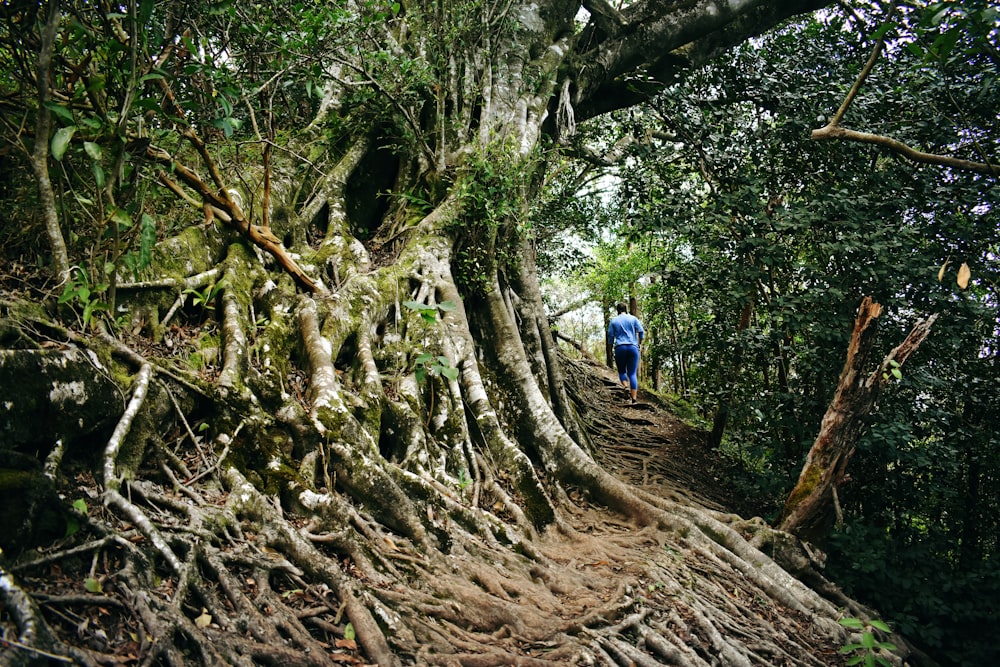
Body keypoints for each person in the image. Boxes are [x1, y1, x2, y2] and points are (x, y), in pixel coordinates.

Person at [607, 302, 645, 404]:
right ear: (626, 309)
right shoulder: (633, 319)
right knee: (632, 374)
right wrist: (639, 343)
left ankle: (625, 386)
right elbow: (641, 332)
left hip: (620, 347)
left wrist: (610, 350)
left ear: (617, 310)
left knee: (622, 371)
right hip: (633, 347)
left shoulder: (613, 321)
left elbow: (610, 337)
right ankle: (634, 399)